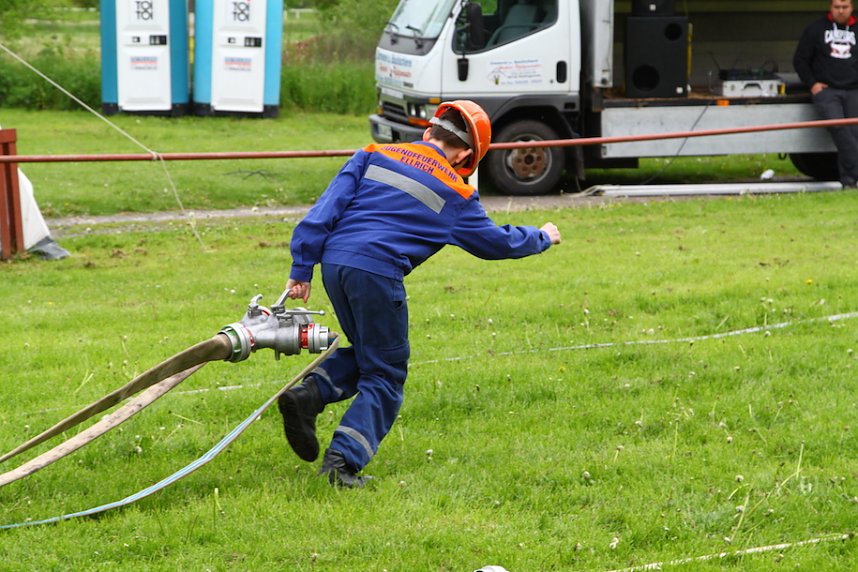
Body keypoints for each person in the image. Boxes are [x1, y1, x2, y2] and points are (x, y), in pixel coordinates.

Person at [278, 100, 562, 487]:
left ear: (429, 131)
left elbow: (324, 210)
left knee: (369, 352)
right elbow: (496, 243)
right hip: (377, 273)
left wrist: (301, 268)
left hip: (335, 266)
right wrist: (542, 237)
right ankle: (342, 464)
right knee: (386, 372)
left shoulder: (373, 153)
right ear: (465, 154)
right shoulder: (456, 193)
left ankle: (310, 395)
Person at [794, 0, 858, 187]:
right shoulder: (816, 29)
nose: (840, 11)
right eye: (836, 7)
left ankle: (849, 181)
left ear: (851, 7)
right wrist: (812, 84)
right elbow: (800, 60)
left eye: (844, 7)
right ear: (831, 7)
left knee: (854, 132)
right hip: (827, 91)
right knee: (839, 129)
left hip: (854, 89)